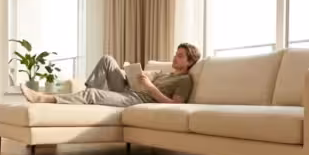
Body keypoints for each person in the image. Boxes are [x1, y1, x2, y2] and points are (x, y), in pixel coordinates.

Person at [20, 43, 201, 107]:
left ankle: (44, 98)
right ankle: (84, 97)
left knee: (92, 94)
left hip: (138, 99)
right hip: (130, 90)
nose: (174, 58)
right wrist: (133, 73)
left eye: (180, 56)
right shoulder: (166, 73)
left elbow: (174, 105)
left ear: (190, 62)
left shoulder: (185, 80)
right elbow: (143, 80)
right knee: (107, 59)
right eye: (175, 54)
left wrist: (150, 87)